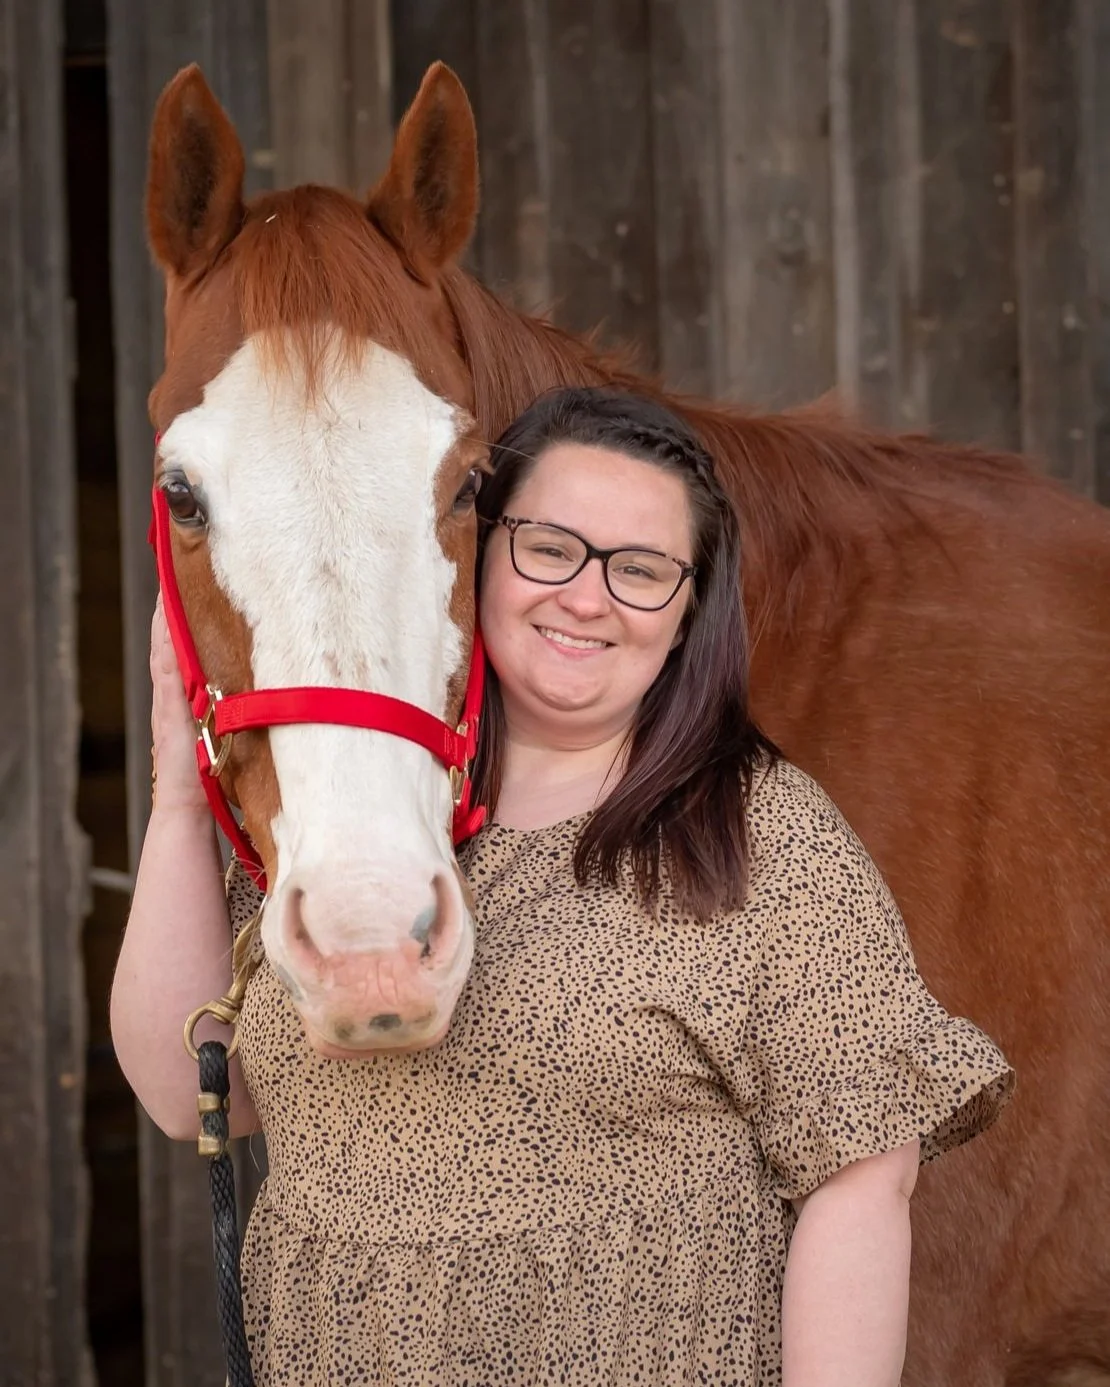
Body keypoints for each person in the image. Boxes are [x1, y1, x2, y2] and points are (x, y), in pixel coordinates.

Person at [112, 386, 1013, 1386]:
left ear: (687, 613)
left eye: (641, 570)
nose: (587, 597)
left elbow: (862, 1186)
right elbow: (188, 1089)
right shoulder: (356, 812)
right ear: (475, 556)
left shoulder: (763, 839)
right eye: (550, 547)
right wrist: (181, 796)